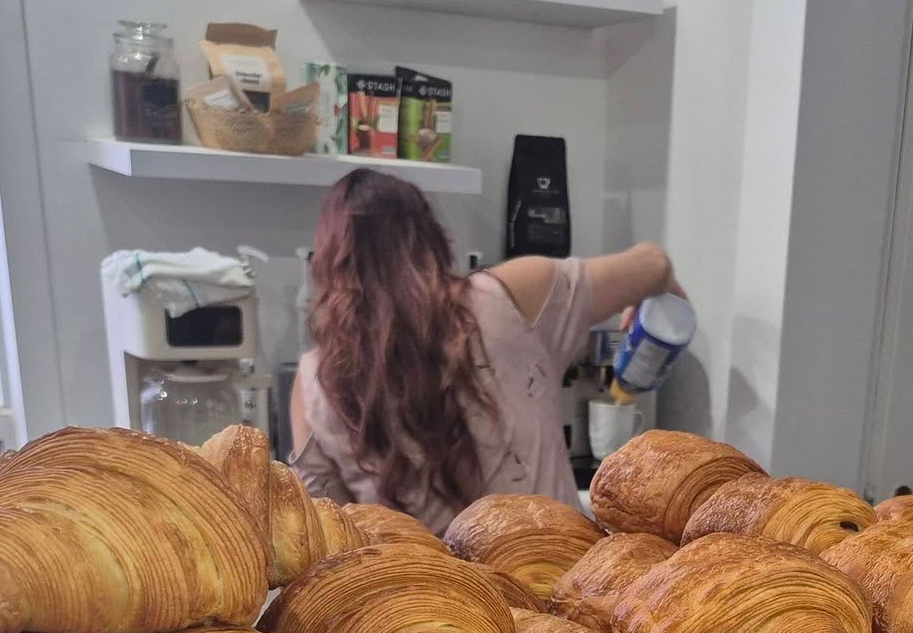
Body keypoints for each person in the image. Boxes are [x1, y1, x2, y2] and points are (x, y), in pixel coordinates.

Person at [289, 168, 684, 535]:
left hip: (434, 607)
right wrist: (658, 298)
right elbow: (653, 263)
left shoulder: (315, 384)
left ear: (328, 263)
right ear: (431, 239)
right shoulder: (515, 296)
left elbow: (326, 536)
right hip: (562, 594)